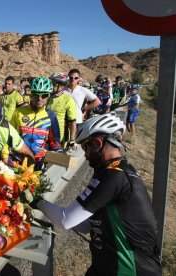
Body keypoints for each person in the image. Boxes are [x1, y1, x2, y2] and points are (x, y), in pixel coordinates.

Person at [33, 114, 162, 275]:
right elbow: (85, 225)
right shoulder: (116, 170)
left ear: (98, 143)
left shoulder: (114, 176)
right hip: (108, 265)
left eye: (85, 147)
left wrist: (36, 201)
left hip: (129, 270)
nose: (85, 154)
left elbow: (65, 220)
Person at [11, 77, 63, 170]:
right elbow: (9, 135)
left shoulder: (51, 116)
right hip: (17, 160)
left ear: (49, 96)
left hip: (38, 162)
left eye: (44, 95)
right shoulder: (18, 112)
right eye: (36, 95)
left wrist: (59, 153)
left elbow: (55, 141)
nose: (39, 98)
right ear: (30, 95)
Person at [47, 72, 77, 149]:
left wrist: (72, 140)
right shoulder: (47, 98)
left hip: (59, 138)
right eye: (51, 83)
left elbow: (72, 121)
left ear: (61, 86)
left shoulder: (68, 100)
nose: (51, 86)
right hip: (45, 135)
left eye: (54, 84)